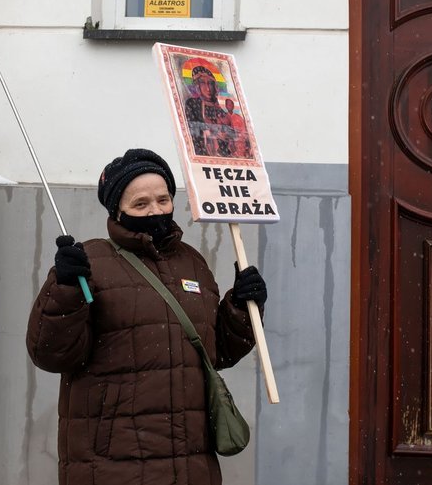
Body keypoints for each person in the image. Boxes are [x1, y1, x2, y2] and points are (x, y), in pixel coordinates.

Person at [26, 148, 268, 485]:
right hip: (114, 463)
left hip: (190, 462)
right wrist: (65, 288)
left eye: (163, 199)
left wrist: (241, 308)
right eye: (140, 204)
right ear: (118, 211)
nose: (155, 210)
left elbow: (218, 354)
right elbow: (51, 353)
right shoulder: (87, 263)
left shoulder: (192, 263)